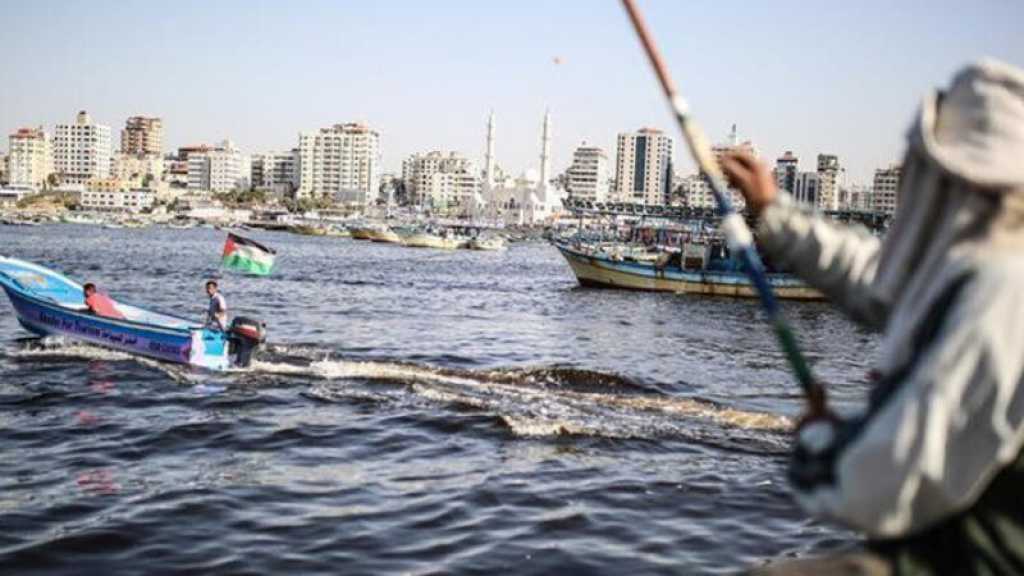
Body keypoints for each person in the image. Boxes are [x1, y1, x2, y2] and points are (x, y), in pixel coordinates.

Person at [721, 59, 1024, 574]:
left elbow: (885, 480)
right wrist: (774, 211)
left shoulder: (1002, 292)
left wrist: (819, 439)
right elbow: (882, 283)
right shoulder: (974, 272)